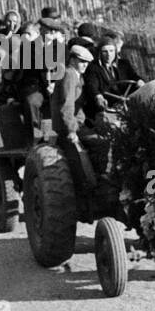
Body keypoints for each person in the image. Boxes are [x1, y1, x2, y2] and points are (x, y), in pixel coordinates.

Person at [51, 42, 96, 198]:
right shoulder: (70, 75)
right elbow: (66, 104)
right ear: (72, 60)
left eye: (87, 63)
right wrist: (71, 130)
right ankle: (89, 187)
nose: (85, 65)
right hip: (68, 127)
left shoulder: (77, 76)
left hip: (78, 123)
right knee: (96, 146)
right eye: (82, 62)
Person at [82, 32, 124, 125]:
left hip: (124, 104)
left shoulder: (124, 64)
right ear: (99, 53)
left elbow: (134, 77)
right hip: (106, 107)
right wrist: (98, 96)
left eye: (112, 51)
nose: (109, 55)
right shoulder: (93, 67)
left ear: (116, 52)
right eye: (105, 52)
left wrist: (140, 81)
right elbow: (92, 85)